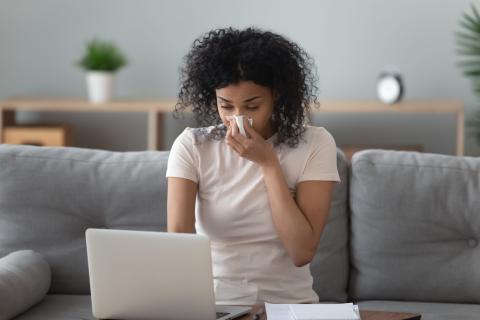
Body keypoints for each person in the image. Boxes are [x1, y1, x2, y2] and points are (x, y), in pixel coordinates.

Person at [166, 27, 341, 305]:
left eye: (252, 106)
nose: (238, 119)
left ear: (277, 95)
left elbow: (301, 252)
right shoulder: (192, 146)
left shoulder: (315, 143)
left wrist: (269, 164)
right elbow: (178, 247)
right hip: (215, 306)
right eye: (226, 106)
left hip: (289, 305)